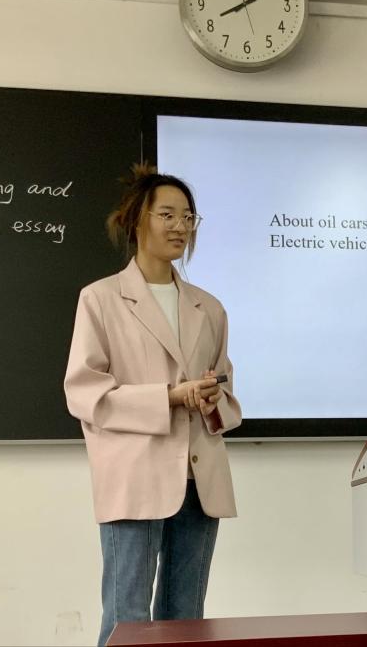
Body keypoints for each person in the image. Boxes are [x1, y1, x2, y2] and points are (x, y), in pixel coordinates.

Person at [64, 165, 241, 647]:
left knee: (186, 619)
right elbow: (85, 394)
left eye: (188, 217)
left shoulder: (210, 307)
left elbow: (227, 398)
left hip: (198, 478)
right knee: (127, 618)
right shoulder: (101, 299)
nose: (180, 226)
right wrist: (168, 397)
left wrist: (211, 397)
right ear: (136, 219)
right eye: (167, 214)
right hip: (134, 473)